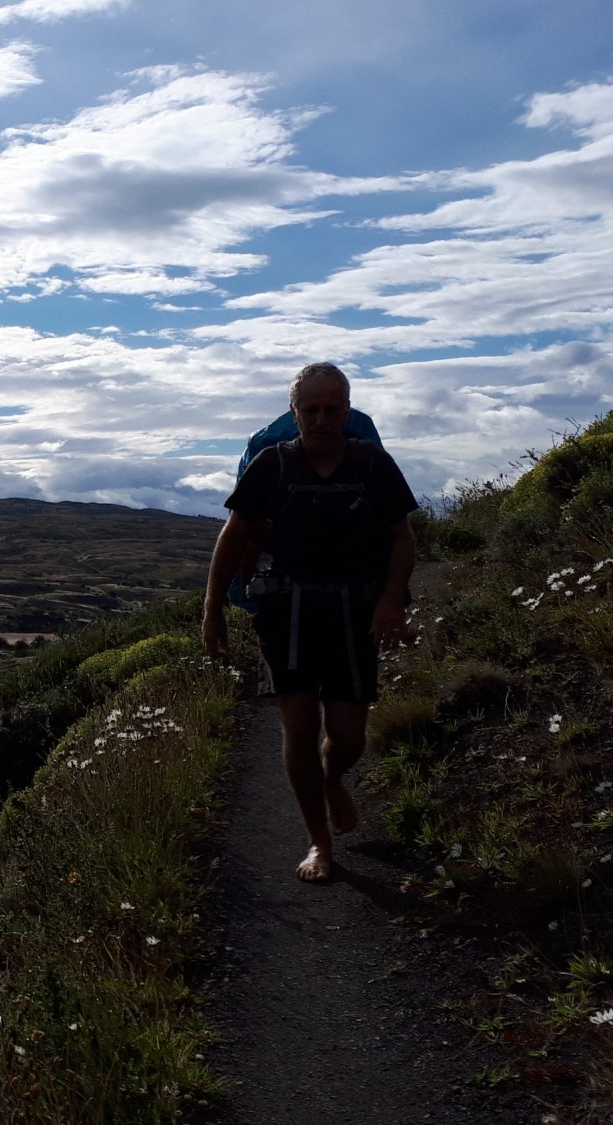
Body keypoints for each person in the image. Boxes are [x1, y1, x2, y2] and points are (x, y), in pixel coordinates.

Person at [202, 362, 418, 882]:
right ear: (294, 412)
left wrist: (391, 600)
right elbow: (234, 537)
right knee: (299, 727)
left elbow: (402, 537)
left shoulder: (373, 464)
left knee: (348, 735)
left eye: (331, 409)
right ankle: (320, 843)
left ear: (347, 410)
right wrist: (213, 610)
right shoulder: (271, 464)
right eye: (311, 410)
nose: (321, 420)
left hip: (354, 613)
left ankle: (332, 778)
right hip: (287, 613)